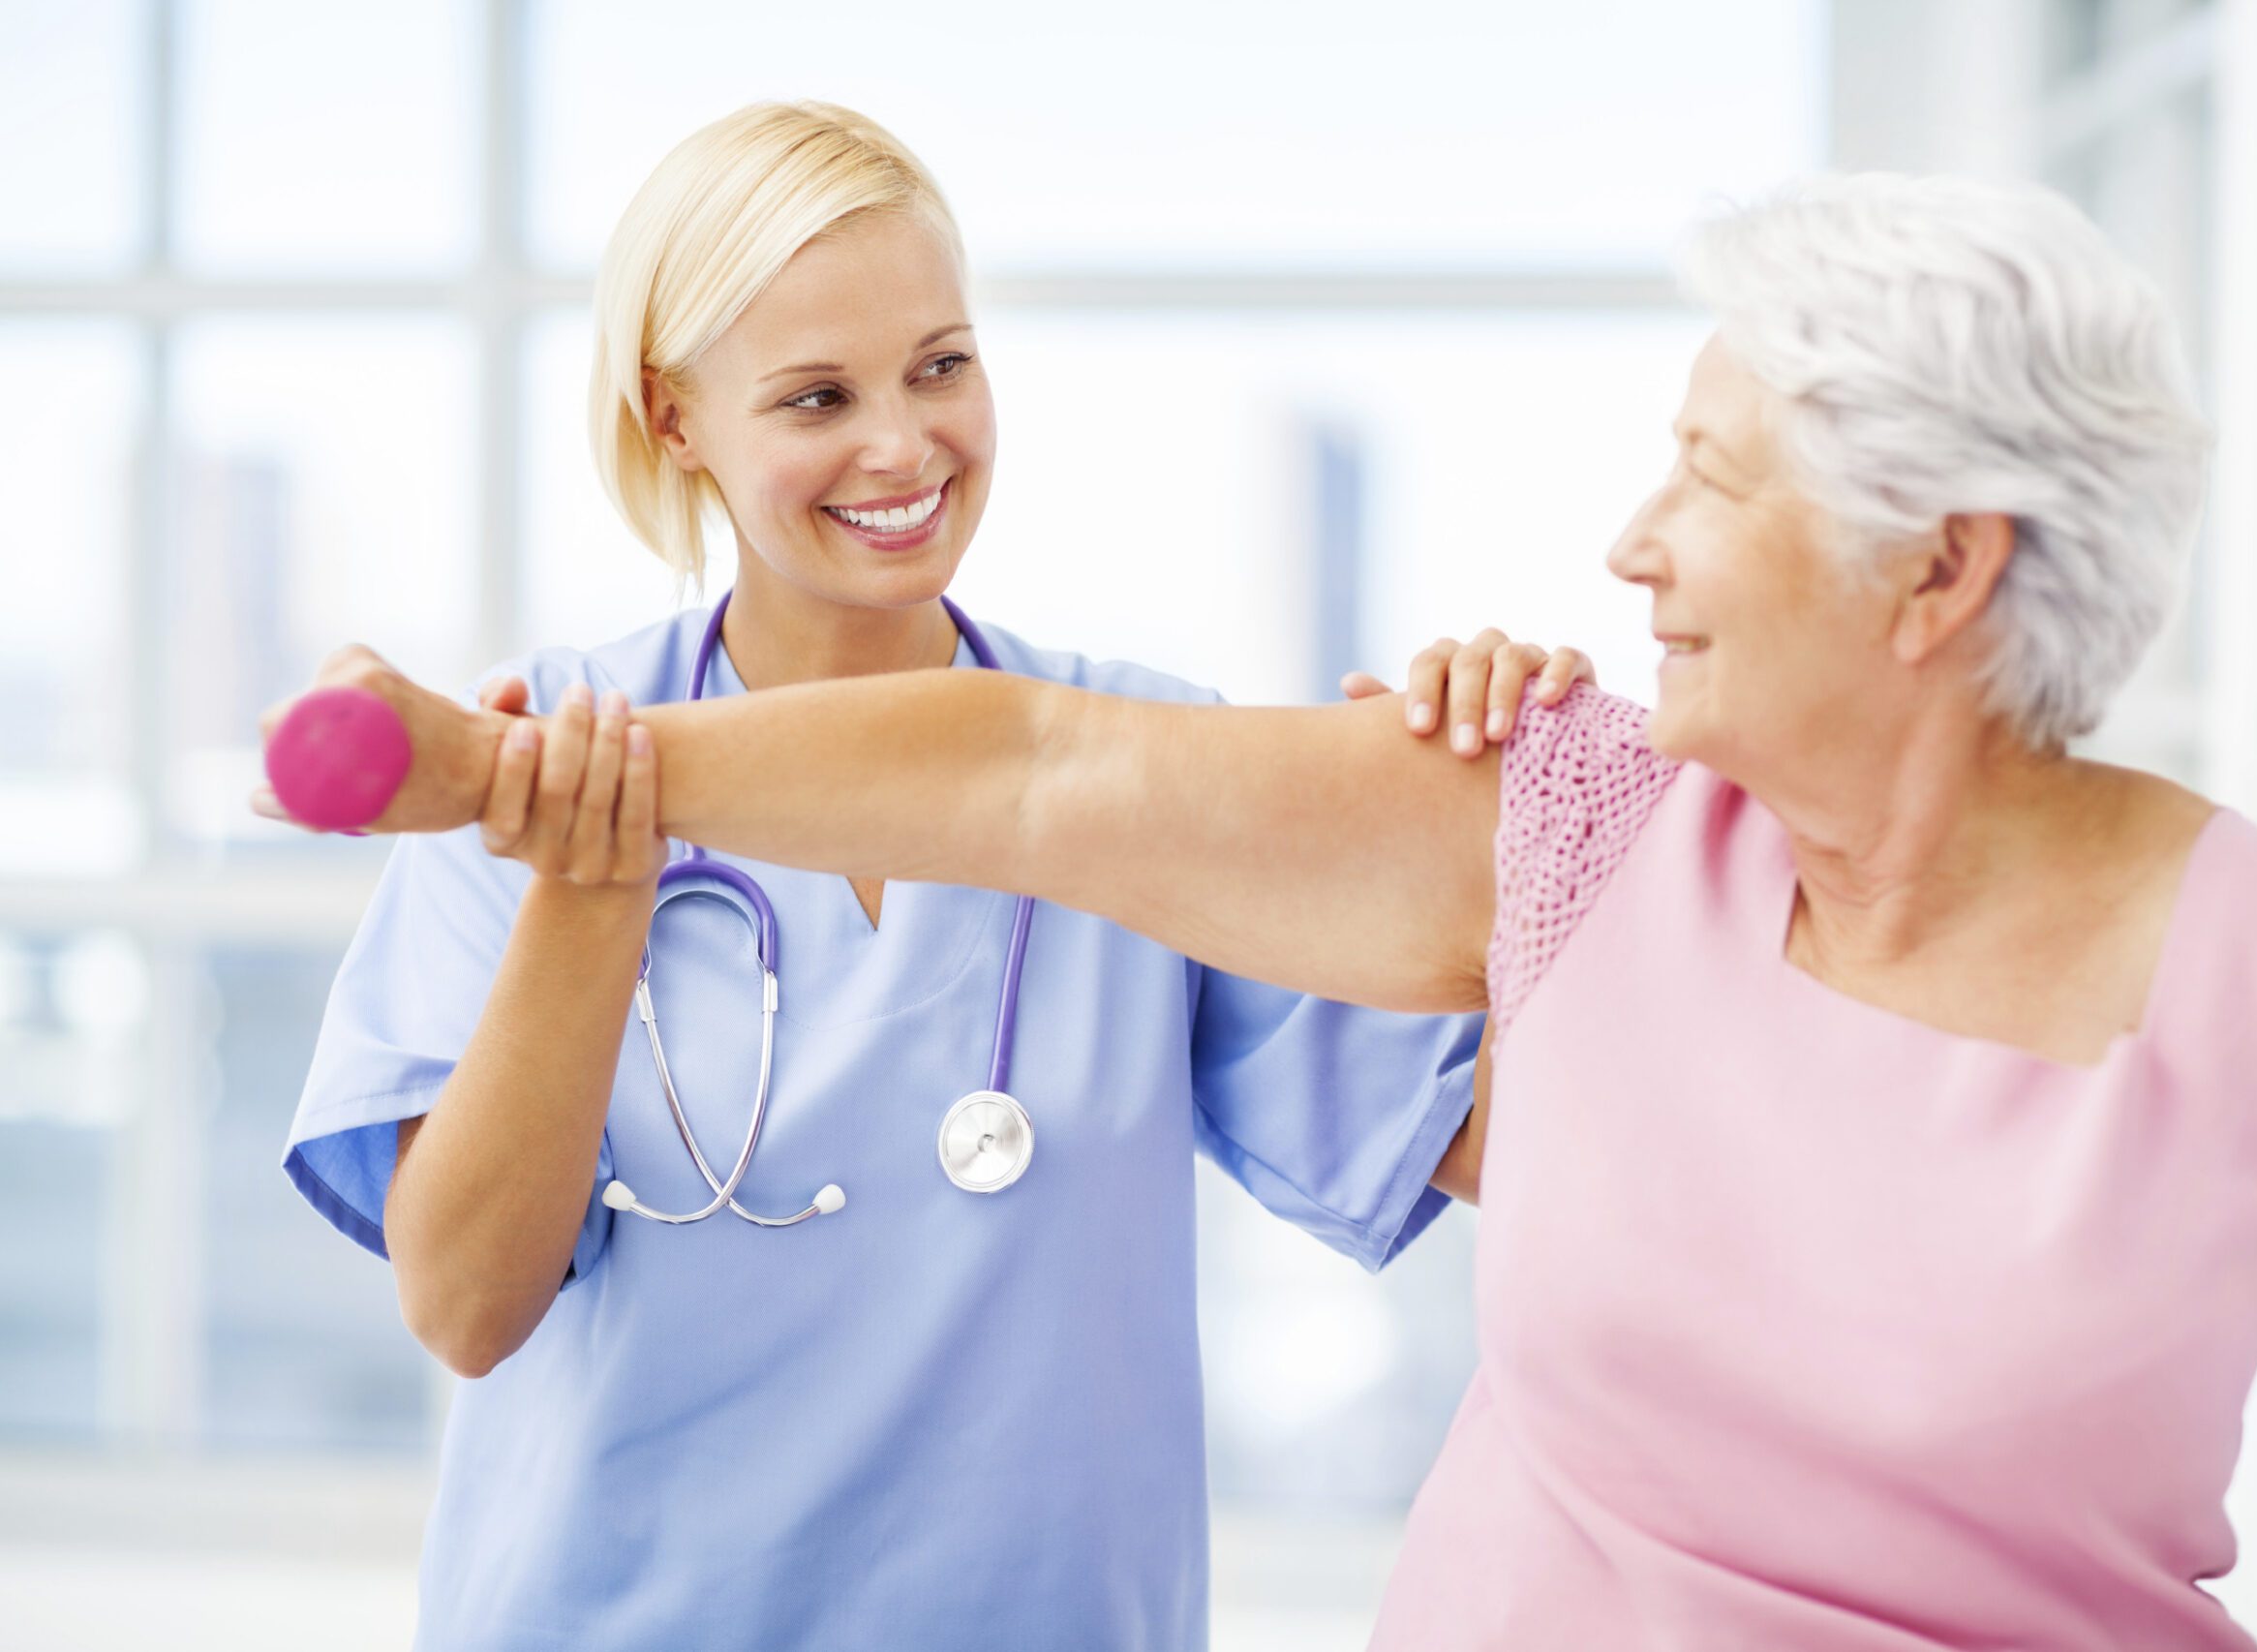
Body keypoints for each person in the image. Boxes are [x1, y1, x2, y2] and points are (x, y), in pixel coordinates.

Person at [270, 171, 2257, 1648]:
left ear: (1939, 566)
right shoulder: (1577, 826)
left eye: (1704, 483)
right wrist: (515, 788)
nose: (1624, 547)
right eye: (819, 388)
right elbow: (1032, 773)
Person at [273, 100, 1592, 1652]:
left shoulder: (1146, 757)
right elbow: (466, 1306)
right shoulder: (539, 757)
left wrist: (1529, 809)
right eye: (817, 395)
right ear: (674, 417)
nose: (903, 445)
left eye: (942, 365)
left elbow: (1539, 1154)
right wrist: (591, 872)